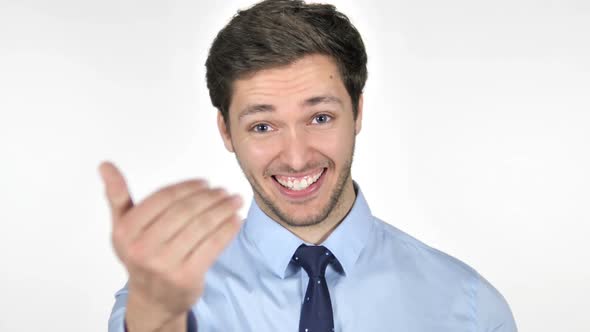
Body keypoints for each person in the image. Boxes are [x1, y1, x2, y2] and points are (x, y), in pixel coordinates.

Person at [101, 0, 517, 331]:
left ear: (357, 112)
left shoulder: (471, 309)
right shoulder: (161, 304)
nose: (297, 156)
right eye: (263, 125)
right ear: (226, 132)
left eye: (320, 118)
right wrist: (157, 313)